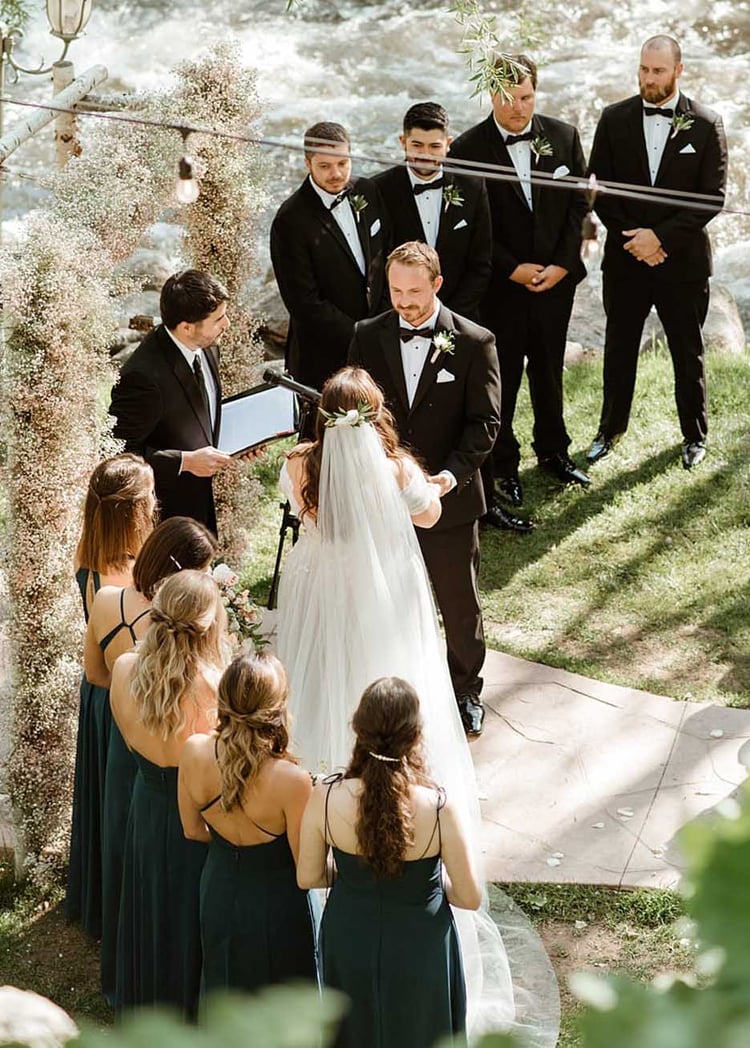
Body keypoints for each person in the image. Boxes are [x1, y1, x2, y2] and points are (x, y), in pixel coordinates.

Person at [275, 364, 559, 1044]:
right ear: (376, 418)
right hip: (384, 607)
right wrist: (423, 484)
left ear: (323, 421)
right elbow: (430, 512)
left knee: (318, 692)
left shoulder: (298, 466)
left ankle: (322, 807)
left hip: (322, 603)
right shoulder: (397, 467)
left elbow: (298, 509)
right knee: (387, 683)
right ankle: (391, 762)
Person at [349, 240, 517, 737]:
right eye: (395, 291)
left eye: (414, 293)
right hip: (382, 497)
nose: (403, 302)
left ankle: (465, 690)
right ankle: (392, 692)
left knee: (458, 603)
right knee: (386, 596)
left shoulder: (474, 342)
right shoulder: (368, 334)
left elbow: (485, 422)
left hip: (449, 499)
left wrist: (450, 475)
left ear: (438, 285)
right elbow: (355, 411)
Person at [297, 677, 480, 1048]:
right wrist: (428, 886)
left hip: (350, 939)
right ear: (415, 736)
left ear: (358, 730)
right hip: (420, 943)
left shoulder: (326, 796)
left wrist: (353, 877)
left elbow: (309, 876)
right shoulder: (438, 807)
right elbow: (469, 896)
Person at [83, 517, 218, 1005]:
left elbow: (120, 723)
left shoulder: (122, 670)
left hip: (144, 796)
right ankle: (184, 1000)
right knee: (187, 907)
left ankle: (137, 989)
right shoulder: (215, 686)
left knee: (143, 895)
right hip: (194, 810)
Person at [450, 53, 590, 513]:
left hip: (556, 282)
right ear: (491, 94)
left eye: (527, 97)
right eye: (509, 98)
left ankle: (554, 450)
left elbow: (577, 209)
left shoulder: (565, 137)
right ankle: (504, 466)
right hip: (502, 287)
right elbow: (472, 225)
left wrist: (563, 266)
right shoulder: (467, 150)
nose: (519, 108)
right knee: (503, 379)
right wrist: (512, 268)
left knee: (549, 371)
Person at [585, 35, 728, 470]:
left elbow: (712, 197)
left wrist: (661, 239)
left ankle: (694, 436)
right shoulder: (613, 119)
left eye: (658, 71)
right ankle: (609, 430)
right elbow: (600, 189)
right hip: (626, 260)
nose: (649, 79)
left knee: (688, 351)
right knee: (619, 347)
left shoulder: (706, 124)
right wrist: (636, 239)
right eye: (644, 70)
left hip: (681, 263)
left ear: (679, 71)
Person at [110, 570, 230, 1017]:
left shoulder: (124, 669)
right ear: (209, 625)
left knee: (150, 908)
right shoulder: (216, 687)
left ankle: (148, 1003)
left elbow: (126, 739)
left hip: (145, 806)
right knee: (187, 918)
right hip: (194, 819)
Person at [178, 651, 316, 997]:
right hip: (276, 903)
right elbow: (305, 867)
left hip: (218, 888)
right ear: (277, 709)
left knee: (224, 987)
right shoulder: (293, 780)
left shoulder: (194, 751)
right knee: (280, 996)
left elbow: (192, 830)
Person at [65, 453, 155, 939]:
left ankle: (101, 898)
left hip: (98, 696)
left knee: (105, 800)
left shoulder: (89, 559)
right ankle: (125, 906)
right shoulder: (132, 576)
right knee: (123, 806)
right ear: (136, 513)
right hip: (127, 699)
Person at [270, 121, 390, 418]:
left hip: (378, 337)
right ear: (307, 163)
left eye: (343, 163)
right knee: (325, 443)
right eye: (325, 166)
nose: (336, 174)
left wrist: (384, 322)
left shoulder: (367, 190)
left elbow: (385, 257)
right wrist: (360, 335)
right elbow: (303, 303)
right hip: (323, 354)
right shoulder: (290, 220)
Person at [109, 269, 233, 534]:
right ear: (186, 326)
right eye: (219, 318)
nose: (227, 324)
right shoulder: (141, 376)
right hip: (165, 520)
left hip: (200, 507)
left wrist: (240, 442)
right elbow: (118, 452)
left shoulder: (206, 345)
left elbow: (200, 412)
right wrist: (185, 461)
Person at [373, 101, 491, 322]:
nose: (425, 154)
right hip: (399, 318)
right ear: (403, 142)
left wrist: (448, 318)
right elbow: (377, 267)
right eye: (417, 145)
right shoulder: (379, 190)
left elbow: (480, 264)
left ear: (448, 144)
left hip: (459, 319)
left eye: (434, 146)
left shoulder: (473, 187)